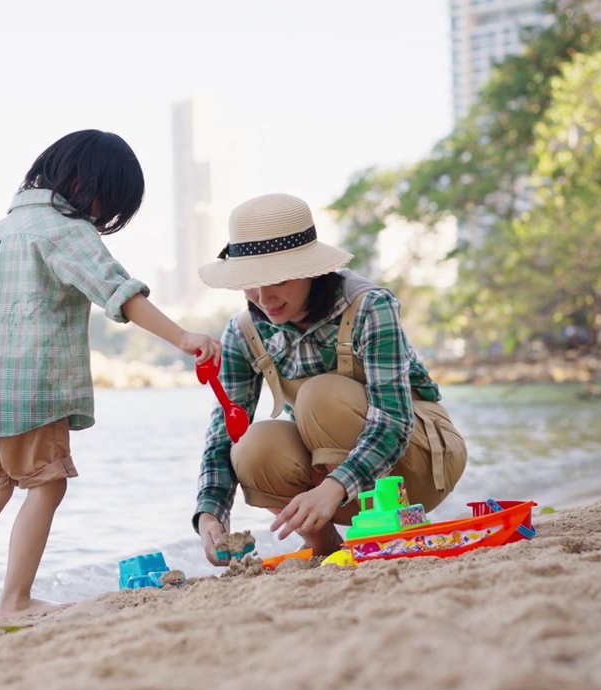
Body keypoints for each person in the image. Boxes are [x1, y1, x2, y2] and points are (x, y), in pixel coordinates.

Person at [0, 129, 222, 625]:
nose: (100, 218)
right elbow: (119, 293)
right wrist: (180, 337)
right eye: (105, 205)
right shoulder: (64, 231)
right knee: (47, 486)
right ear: (86, 184)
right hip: (32, 388)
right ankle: (16, 598)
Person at [192, 193, 467, 565]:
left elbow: (393, 421)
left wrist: (335, 487)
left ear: (311, 269)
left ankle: (386, 532)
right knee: (251, 445)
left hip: (419, 464)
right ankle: (326, 548)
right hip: (335, 484)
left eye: (277, 279)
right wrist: (211, 514)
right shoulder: (243, 333)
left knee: (318, 396)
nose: (263, 297)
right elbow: (224, 432)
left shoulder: (370, 307)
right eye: (249, 282)